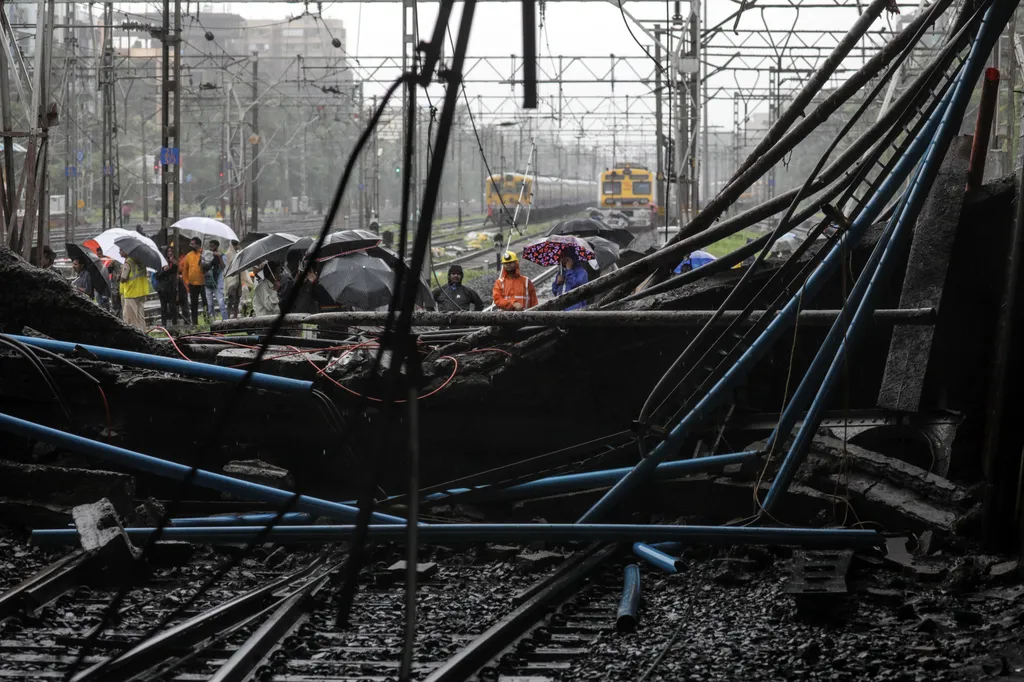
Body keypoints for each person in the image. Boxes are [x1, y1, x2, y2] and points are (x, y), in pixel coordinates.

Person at [119, 248, 150, 331]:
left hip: (131, 293)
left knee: (131, 320)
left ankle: (136, 338)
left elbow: (123, 278)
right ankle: (144, 336)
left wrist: (120, 274)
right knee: (140, 318)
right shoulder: (141, 261)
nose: (119, 252)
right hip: (141, 292)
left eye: (121, 250)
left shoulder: (128, 262)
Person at [178, 237, 207, 325]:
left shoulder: (204, 254)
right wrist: (187, 281)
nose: (191, 245)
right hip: (192, 284)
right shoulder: (189, 255)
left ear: (198, 244)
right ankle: (195, 323)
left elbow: (208, 268)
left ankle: (207, 320)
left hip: (203, 284)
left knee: (205, 303)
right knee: (194, 304)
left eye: (193, 243)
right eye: (191, 243)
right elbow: (185, 270)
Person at [552, 245, 589, 310]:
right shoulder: (562, 272)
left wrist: (569, 270)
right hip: (562, 308)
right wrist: (557, 283)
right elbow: (555, 292)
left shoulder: (581, 272)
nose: (561, 261)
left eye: (564, 258)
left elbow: (575, 285)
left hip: (575, 309)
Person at [202, 239, 228, 322]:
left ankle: (225, 320)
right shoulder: (207, 255)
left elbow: (224, 267)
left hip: (217, 282)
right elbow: (203, 267)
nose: (210, 248)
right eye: (209, 246)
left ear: (217, 246)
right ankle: (212, 321)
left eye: (212, 246)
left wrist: (219, 256)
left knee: (221, 303)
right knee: (210, 304)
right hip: (208, 282)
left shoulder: (222, 256)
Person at [154, 246, 179, 327]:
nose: (170, 253)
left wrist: (174, 264)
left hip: (171, 287)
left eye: (171, 251)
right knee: (164, 307)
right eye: (168, 251)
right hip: (163, 288)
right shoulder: (159, 262)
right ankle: (164, 324)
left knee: (173, 306)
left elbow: (174, 273)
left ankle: (175, 323)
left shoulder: (173, 261)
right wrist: (164, 270)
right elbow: (157, 276)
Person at [224, 240, 246, 318]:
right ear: (234, 245)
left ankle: (235, 315)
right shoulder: (228, 254)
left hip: (238, 279)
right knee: (231, 299)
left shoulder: (237, 253)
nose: (238, 247)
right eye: (237, 245)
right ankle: (228, 315)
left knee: (237, 298)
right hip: (231, 280)